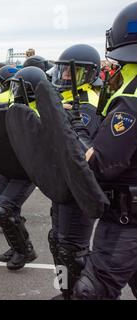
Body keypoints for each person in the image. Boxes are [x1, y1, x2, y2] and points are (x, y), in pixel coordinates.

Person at [72, 2, 137, 300]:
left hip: (126, 220)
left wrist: (83, 136)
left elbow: (101, 165)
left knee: (92, 291)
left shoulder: (131, 99)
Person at [49, 44, 102, 300]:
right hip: (61, 184)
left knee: (73, 251)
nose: (67, 76)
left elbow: (85, 151)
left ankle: (77, 294)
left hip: (78, 189)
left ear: (89, 75)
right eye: (64, 71)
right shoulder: (67, 99)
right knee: (58, 243)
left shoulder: (87, 105)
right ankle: (65, 290)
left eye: (75, 72)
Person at [0, 67, 47, 271]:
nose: (13, 90)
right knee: (2, 206)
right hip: (11, 165)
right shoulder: (16, 106)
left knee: (5, 208)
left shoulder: (42, 110)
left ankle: (25, 250)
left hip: (27, 169)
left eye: (18, 86)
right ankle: (16, 245)